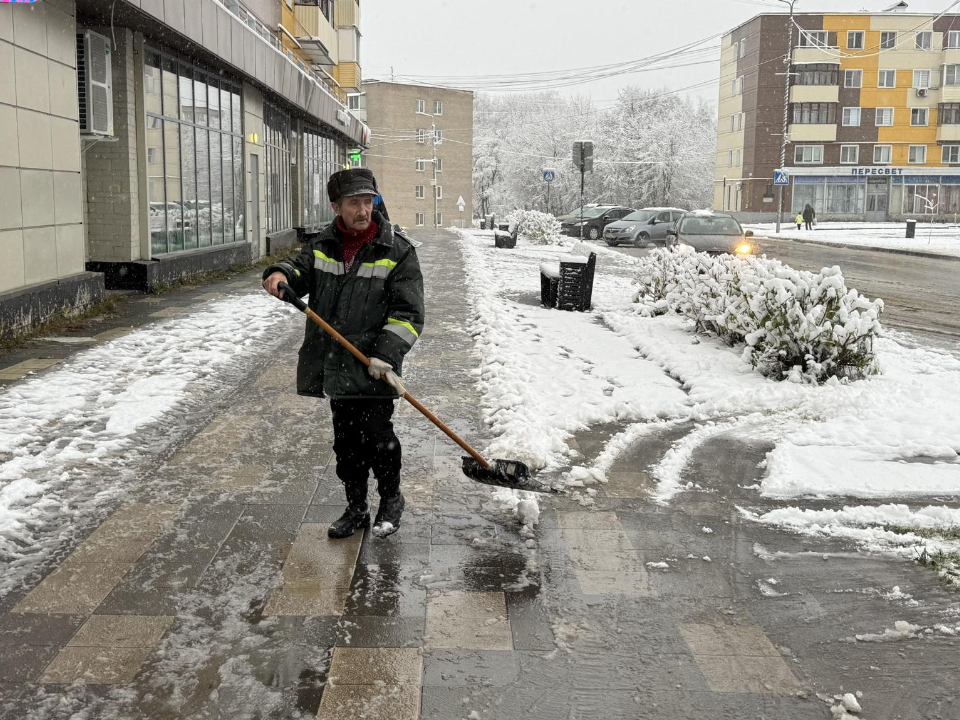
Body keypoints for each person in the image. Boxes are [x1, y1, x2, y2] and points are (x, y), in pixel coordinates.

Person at [261, 168, 425, 540]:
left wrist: (386, 353)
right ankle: (356, 508)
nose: (363, 210)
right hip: (337, 363)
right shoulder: (324, 245)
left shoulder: (396, 250)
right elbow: (299, 271)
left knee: (379, 439)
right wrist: (280, 273)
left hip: (373, 366)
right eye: (354, 203)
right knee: (347, 445)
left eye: (368, 201)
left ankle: (391, 500)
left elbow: (409, 313)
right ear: (336, 207)